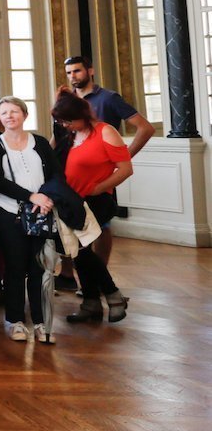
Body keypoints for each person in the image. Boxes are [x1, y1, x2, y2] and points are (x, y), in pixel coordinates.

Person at [64, 56, 155, 278]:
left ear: (90, 71)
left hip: (100, 173)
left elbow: (145, 128)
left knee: (102, 224)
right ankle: (66, 275)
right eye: (69, 73)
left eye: (77, 71)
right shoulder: (67, 100)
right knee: (67, 223)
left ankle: (99, 276)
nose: (73, 76)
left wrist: (122, 160)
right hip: (73, 171)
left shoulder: (108, 98)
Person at [0, 97, 61, 343]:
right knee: (15, 266)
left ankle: (40, 322)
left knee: (40, 268)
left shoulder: (40, 142)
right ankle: (15, 321)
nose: (9, 116)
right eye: (4, 112)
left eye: (14, 111)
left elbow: (56, 173)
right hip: (8, 213)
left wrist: (45, 198)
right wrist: (30, 196)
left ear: (24, 115)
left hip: (41, 212)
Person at [53, 90, 134, 324]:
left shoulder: (105, 131)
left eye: (69, 120)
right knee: (79, 252)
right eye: (62, 122)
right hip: (72, 201)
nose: (65, 125)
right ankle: (91, 303)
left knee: (82, 248)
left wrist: (99, 188)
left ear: (82, 115)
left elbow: (125, 168)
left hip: (97, 201)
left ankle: (112, 294)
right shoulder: (70, 135)